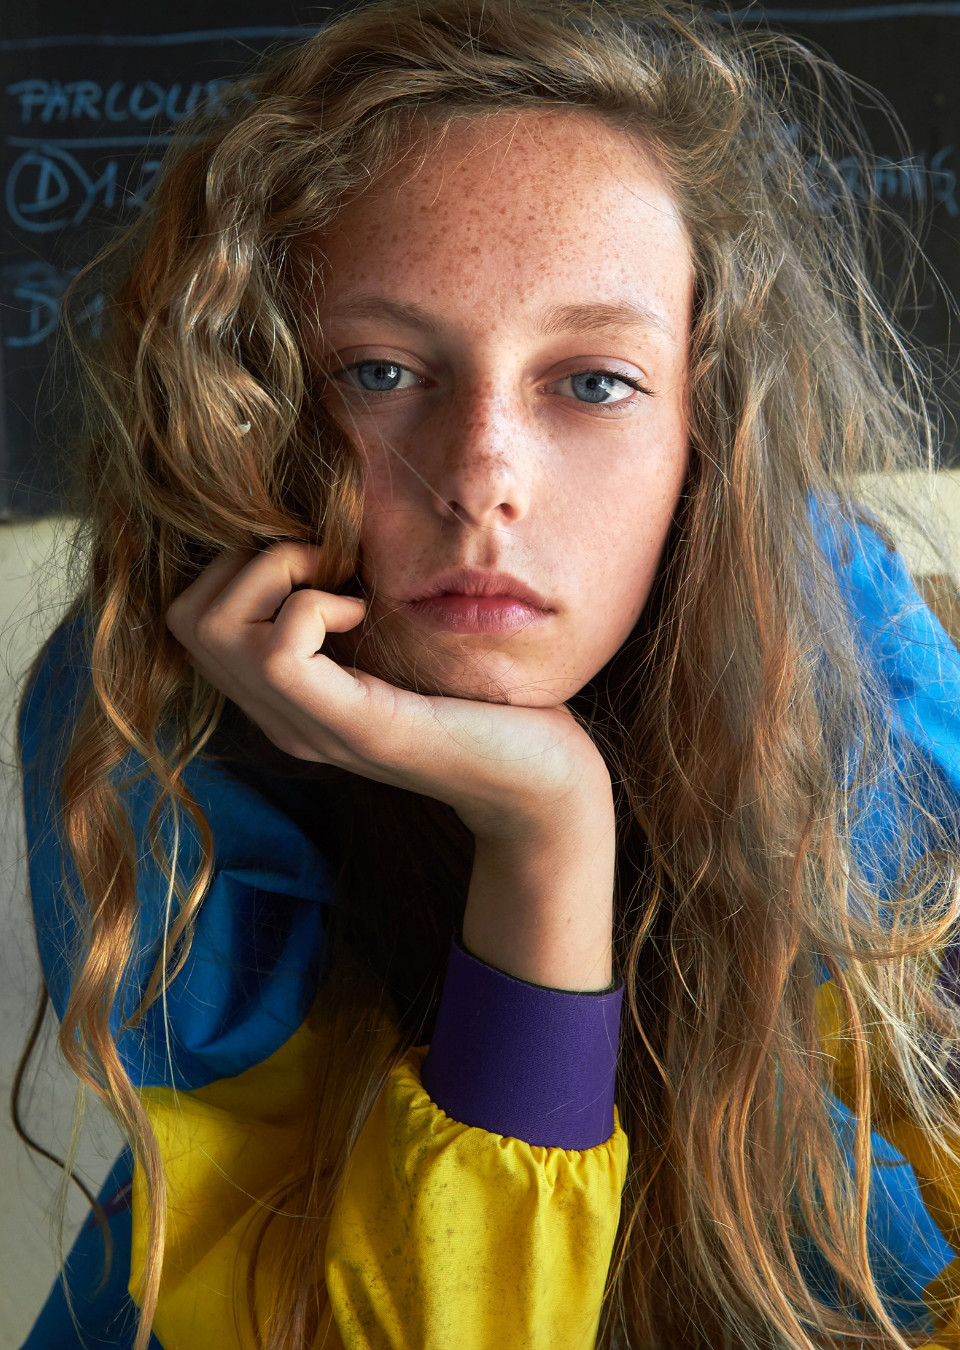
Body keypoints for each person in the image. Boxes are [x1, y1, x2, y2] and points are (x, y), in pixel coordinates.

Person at [15, 0, 960, 1346]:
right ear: (263, 407)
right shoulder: (159, 724)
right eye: (382, 370)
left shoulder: (846, 666)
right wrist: (547, 833)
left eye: (594, 382)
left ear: (705, 428)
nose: (481, 481)